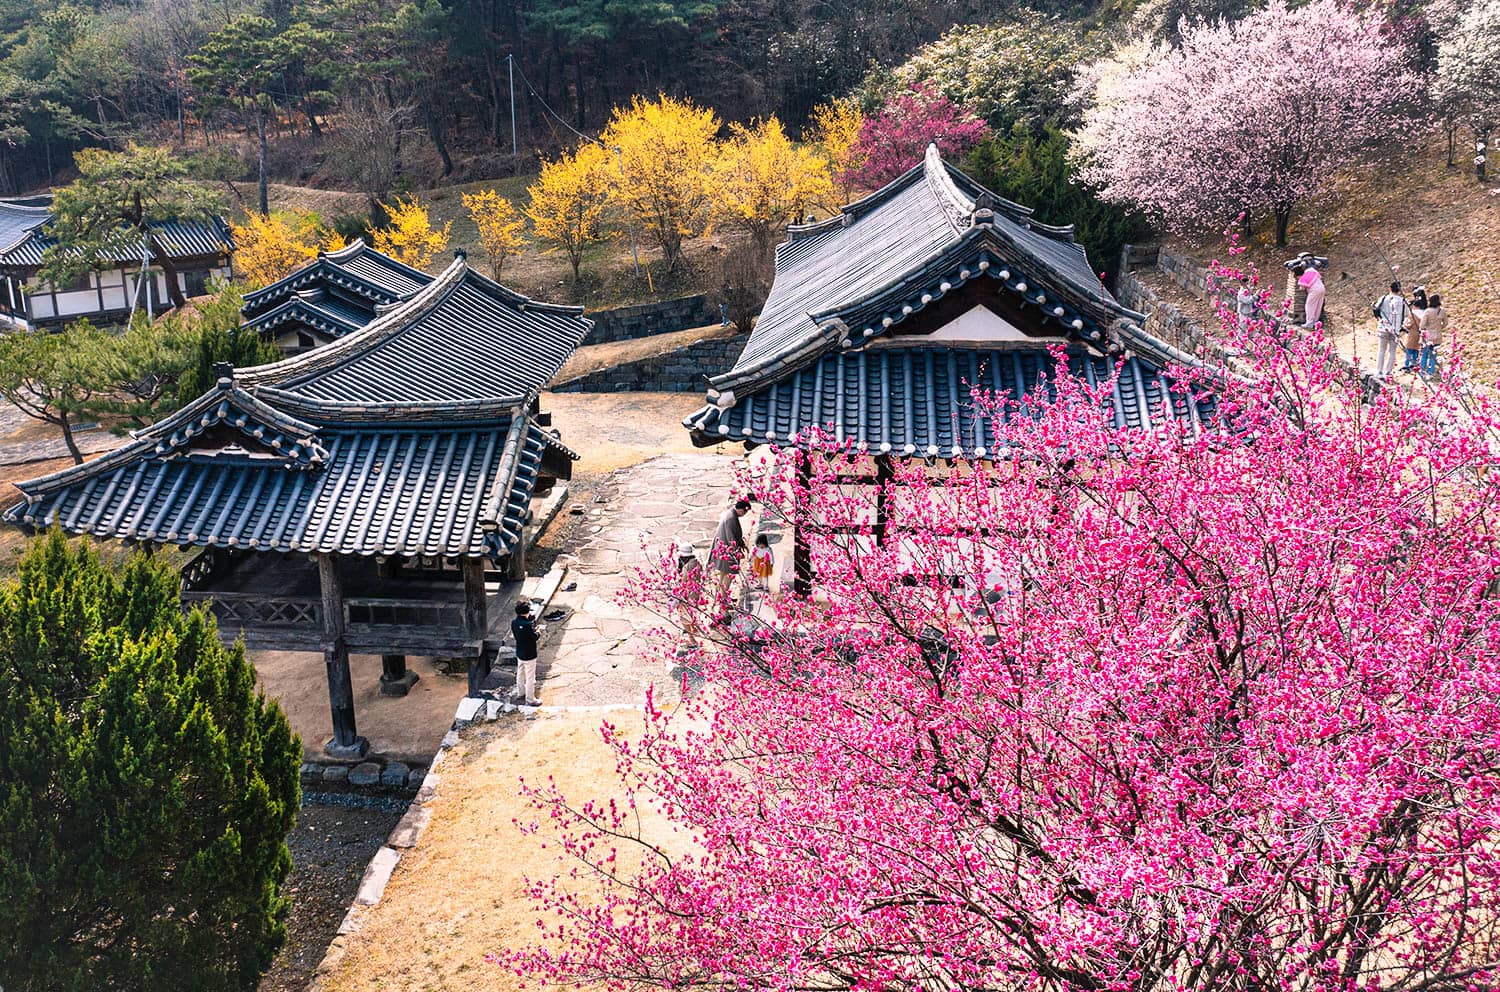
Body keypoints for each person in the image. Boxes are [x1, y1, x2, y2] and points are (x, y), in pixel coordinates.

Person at [710, 497, 751, 617]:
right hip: (727, 553)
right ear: (741, 510)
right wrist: (737, 552)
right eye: (745, 511)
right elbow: (731, 539)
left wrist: (742, 545)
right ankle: (723, 608)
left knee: (723, 578)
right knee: (726, 580)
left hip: (723, 551)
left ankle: (722, 600)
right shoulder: (731, 519)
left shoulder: (731, 514)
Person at [1374, 281, 1410, 379]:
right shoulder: (1403, 301)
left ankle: (1379, 371)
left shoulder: (1384, 298)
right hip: (1396, 329)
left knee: (1381, 349)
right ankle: (1388, 372)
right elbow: (1407, 314)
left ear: (1390, 288)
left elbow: (1376, 309)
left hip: (1383, 327)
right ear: (1399, 290)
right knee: (1392, 351)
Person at [510, 598, 542, 706]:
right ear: (527, 611)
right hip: (530, 654)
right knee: (530, 678)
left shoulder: (514, 623)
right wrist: (538, 631)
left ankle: (521, 693)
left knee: (520, 673)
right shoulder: (528, 625)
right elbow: (534, 637)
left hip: (520, 652)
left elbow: (518, 634)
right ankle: (530, 699)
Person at [673, 549, 704, 654]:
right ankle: (694, 628)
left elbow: (683, 582)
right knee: (692, 614)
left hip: (687, 596)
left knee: (684, 618)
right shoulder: (697, 563)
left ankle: (692, 640)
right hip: (696, 594)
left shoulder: (686, 567)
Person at [1402, 286, 1427, 373]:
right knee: (1416, 349)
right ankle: (1415, 363)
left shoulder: (1413, 314)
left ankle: (1407, 364)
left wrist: (1404, 326)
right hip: (1421, 334)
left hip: (1412, 333)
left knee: (1409, 349)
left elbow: (1408, 325)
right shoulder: (1425, 312)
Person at [1420, 293, 1445, 379]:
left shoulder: (1427, 311)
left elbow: (1422, 325)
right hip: (1438, 335)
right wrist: (1439, 327)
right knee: (1434, 355)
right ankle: (1431, 371)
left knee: (1425, 354)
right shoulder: (1442, 311)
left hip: (1428, 336)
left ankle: (1422, 370)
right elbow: (1445, 323)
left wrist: (1426, 328)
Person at [1299, 264, 1326, 329]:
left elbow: (1302, 288)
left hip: (1314, 290)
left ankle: (1309, 322)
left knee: (1309, 305)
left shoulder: (1305, 275)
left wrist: (1300, 283)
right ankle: (1315, 321)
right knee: (1318, 305)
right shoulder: (1314, 272)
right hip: (1322, 288)